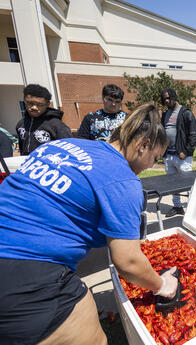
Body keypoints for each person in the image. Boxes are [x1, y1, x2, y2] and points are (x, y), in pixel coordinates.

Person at [0, 103, 179, 345]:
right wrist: (162, 285)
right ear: (143, 145)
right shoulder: (123, 180)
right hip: (27, 276)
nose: (150, 166)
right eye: (154, 158)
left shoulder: (60, 145)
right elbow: (128, 262)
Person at [160, 88, 196, 217]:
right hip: (169, 155)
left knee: (188, 183)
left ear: (174, 96)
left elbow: (194, 134)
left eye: (168, 98)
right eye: (164, 99)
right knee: (173, 184)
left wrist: (187, 151)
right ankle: (177, 206)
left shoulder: (185, 113)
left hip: (182, 156)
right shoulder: (166, 114)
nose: (166, 101)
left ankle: (192, 209)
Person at [16, 84, 71, 155]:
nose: (34, 107)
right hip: (28, 163)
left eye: (40, 105)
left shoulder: (56, 125)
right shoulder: (21, 124)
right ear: (24, 101)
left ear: (47, 104)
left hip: (48, 164)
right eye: (30, 103)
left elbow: (68, 148)